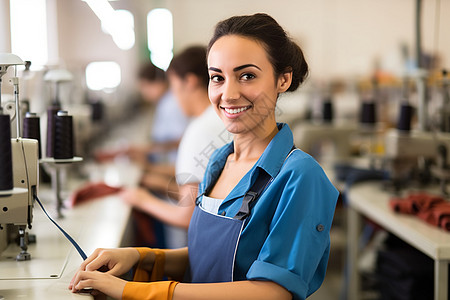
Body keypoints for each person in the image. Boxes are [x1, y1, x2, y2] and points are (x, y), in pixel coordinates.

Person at [69, 13, 339, 300]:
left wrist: (140, 291)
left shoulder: (299, 176)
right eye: (217, 78)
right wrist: (142, 257)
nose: (228, 93)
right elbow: (213, 257)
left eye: (247, 76)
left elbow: (273, 291)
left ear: (282, 79)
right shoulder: (220, 162)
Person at [119, 46, 232, 240]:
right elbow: (204, 182)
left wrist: (141, 199)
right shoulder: (222, 119)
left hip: (206, 241)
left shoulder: (199, 130)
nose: (174, 96)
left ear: (189, 82)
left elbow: (188, 215)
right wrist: (148, 173)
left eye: (173, 87)